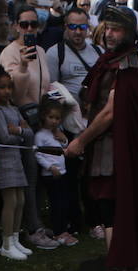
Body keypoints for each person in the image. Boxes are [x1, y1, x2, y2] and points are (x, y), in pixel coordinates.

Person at [65, 4, 138, 271]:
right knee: (120, 203)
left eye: (116, 28)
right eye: (107, 27)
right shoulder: (110, 59)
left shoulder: (133, 62)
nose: (108, 33)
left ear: (129, 33)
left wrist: (81, 141)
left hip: (118, 146)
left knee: (112, 206)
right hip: (108, 144)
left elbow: (110, 112)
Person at [0, 4, 59, 249]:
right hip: (21, 121)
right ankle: (31, 229)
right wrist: (23, 66)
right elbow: (15, 93)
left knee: (44, 175)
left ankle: (38, 223)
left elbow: (46, 86)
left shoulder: (41, 52)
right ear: (15, 26)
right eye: (24, 24)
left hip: (41, 118)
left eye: (34, 24)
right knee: (30, 177)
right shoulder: (9, 53)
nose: (29, 29)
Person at [0, 66, 34, 260]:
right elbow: (4, 137)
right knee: (10, 200)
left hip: (16, 158)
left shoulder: (13, 109)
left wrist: (20, 132)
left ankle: (15, 238)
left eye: (9, 87)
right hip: (4, 158)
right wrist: (20, 134)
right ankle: (6, 242)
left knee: (20, 200)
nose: (6, 91)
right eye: (1, 87)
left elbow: (27, 132)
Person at [34, 95, 77, 244]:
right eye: (51, 117)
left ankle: (63, 229)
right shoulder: (40, 135)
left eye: (57, 118)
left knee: (64, 201)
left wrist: (64, 139)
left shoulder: (56, 133)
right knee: (57, 203)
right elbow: (38, 154)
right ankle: (59, 232)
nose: (54, 121)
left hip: (62, 172)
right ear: (44, 116)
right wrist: (50, 167)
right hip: (51, 174)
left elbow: (64, 149)